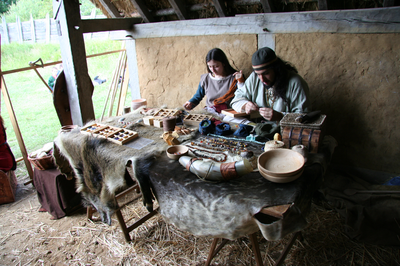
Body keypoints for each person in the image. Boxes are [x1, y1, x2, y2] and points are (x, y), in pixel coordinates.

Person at [231, 47, 311, 121]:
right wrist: (245, 105)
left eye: (266, 73)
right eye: (258, 74)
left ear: (276, 69)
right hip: (257, 128)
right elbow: (236, 100)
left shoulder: (295, 82)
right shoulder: (254, 77)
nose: (262, 79)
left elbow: (303, 117)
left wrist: (280, 116)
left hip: (284, 131)